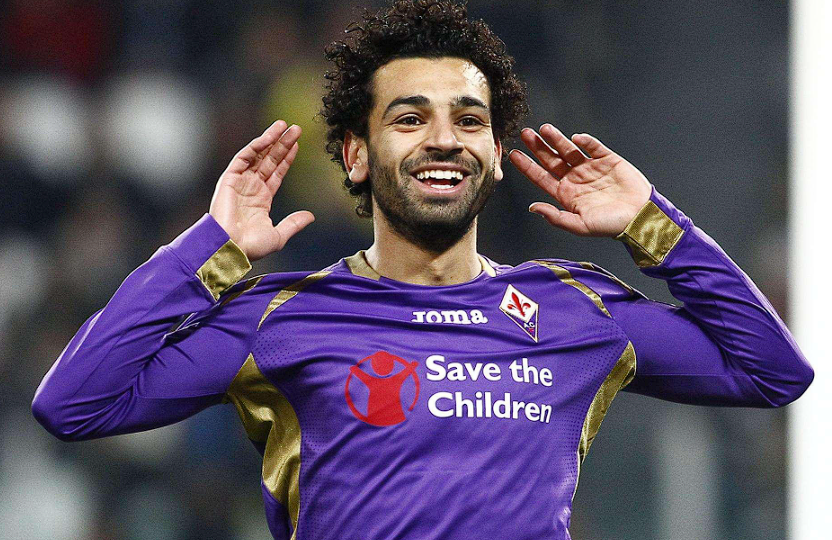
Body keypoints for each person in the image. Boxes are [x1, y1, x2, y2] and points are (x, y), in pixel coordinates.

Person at [32, 1, 813, 539]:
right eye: (410, 118)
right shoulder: (279, 318)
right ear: (355, 154)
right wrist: (207, 248)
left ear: (495, 157)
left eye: (468, 120)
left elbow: (774, 371)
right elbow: (74, 402)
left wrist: (655, 225)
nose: (444, 139)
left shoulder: (578, 308)